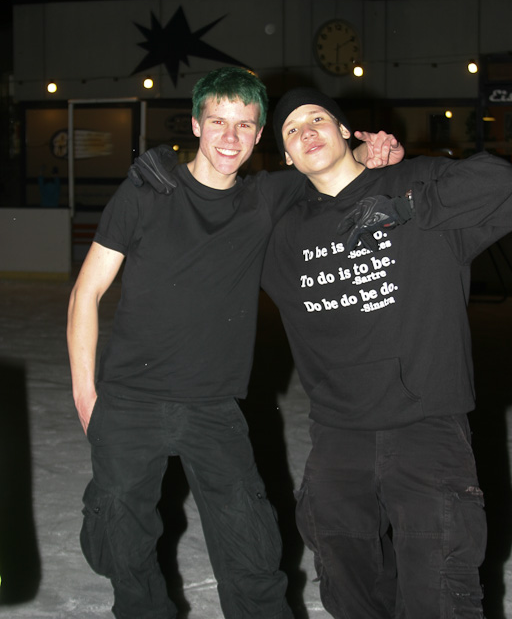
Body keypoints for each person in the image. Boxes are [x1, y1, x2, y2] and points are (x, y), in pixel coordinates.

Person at [67, 67, 403, 619]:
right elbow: (87, 292)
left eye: (244, 125)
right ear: (196, 124)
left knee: (252, 550)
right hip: (129, 401)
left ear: (259, 133)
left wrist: (374, 150)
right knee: (122, 548)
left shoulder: (265, 198)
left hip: (213, 408)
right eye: (218, 122)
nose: (230, 137)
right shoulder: (147, 192)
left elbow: (331, 163)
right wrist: (86, 396)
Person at [261, 86, 512, 619]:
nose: (306, 131)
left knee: (440, 589)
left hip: (428, 427)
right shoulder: (281, 233)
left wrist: (405, 208)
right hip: (338, 435)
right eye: (291, 129)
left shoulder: (410, 181)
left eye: (317, 118)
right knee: (347, 585)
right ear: (285, 155)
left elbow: (501, 183)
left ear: (345, 129)